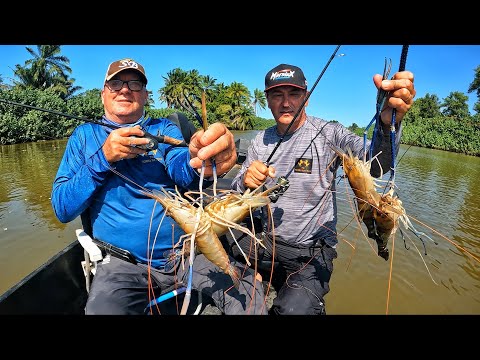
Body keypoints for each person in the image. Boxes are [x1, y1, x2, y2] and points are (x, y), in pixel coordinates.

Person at [51, 58, 266, 315]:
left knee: (250, 297)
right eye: (116, 83)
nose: (125, 89)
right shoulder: (84, 136)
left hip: (187, 252)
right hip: (123, 264)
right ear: (103, 94)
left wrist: (202, 162)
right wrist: (103, 158)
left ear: (145, 95)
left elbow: (182, 167)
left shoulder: (163, 128)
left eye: (134, 83)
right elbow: (62, 209)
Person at [224, 63, 416, 315]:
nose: (285, 103)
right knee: (219, 237)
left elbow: (377, 164)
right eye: (277, 95)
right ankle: (255, 277)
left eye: (293, 94)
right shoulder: (260, 140)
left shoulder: (330, 133)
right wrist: (246, 180)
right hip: (266, 241)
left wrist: (387, 123)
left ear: (306, 97)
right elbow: (238, 193)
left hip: (310, 251)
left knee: (293, 310)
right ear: (267, 100)